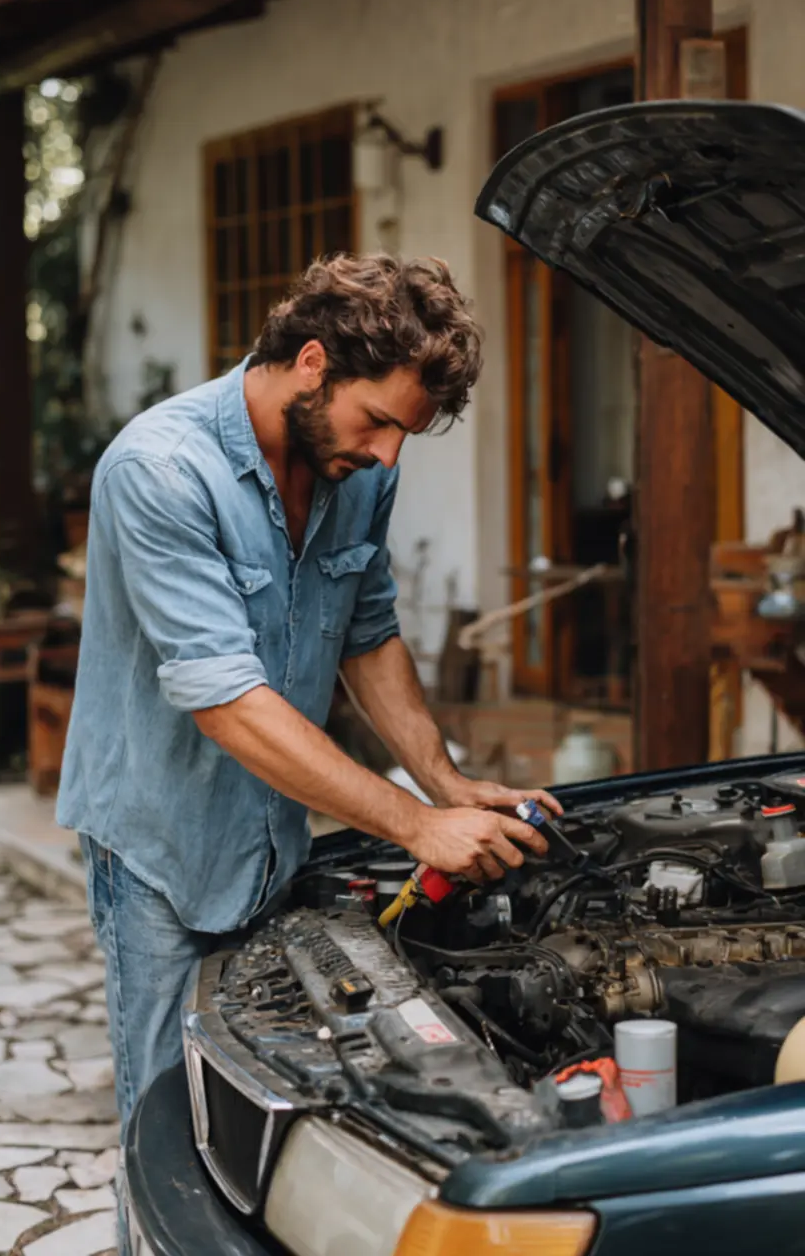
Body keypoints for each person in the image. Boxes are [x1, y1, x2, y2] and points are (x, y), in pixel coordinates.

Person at [56, 253, 560, 1249]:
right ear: (311, 363)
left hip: (274, 845)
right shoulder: (159, 472)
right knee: (170, 1141)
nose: (382, 456)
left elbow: (365, 635)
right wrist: (416, 824)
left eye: (402, 437)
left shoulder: (355, 474)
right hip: (159, 852)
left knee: (270, 1135)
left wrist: (446, 782)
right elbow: (229, 705)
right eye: (375, 421)